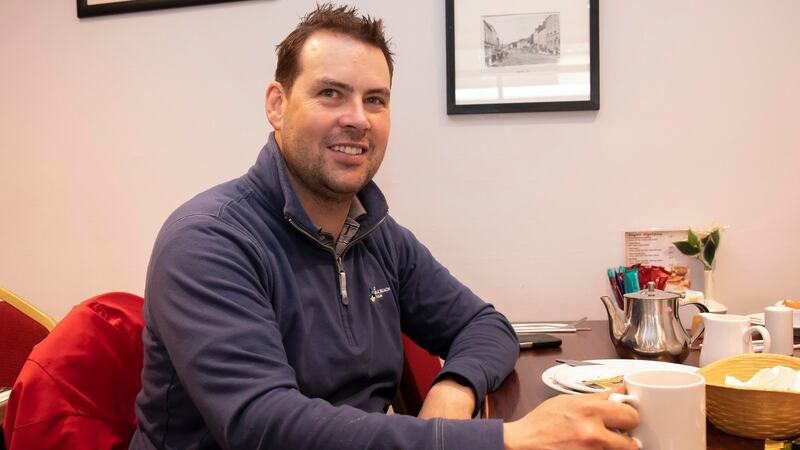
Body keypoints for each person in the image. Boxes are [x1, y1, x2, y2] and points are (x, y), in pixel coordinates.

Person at [130, 4, 639, 450]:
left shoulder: (376, 233)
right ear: (276, 104)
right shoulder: (207, 240)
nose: (359, 119)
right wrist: (507, 437)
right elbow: (265, 427)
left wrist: (454, 385)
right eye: (331, 93)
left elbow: (485, 326)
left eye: (375, 100)